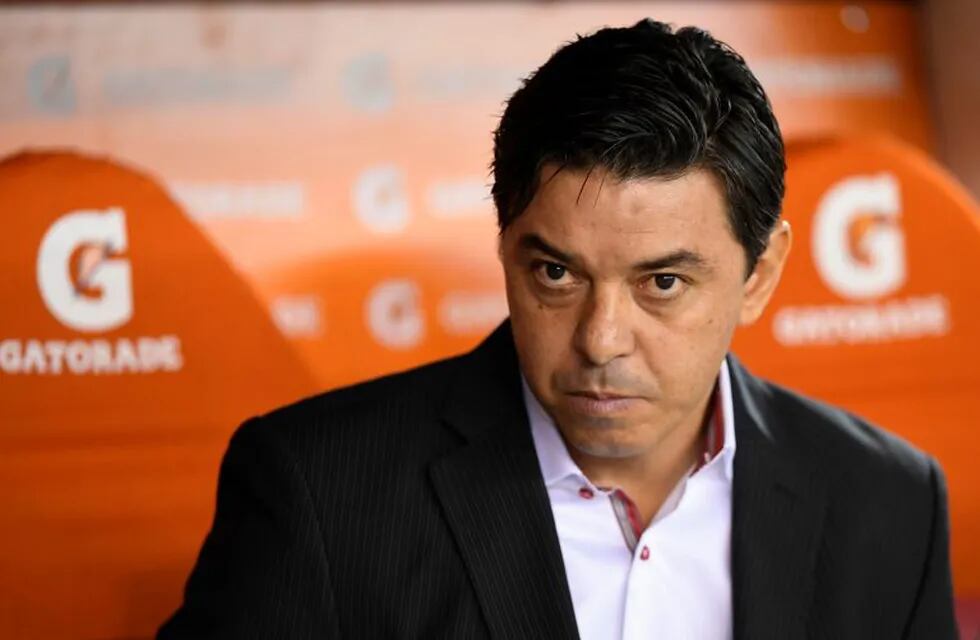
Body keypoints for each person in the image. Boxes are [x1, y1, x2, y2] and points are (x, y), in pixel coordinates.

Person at [158, 19, 957, 639]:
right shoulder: (319, 493)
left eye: (663, 282)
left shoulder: (887, 503)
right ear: (504, 247)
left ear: (761, 274)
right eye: (556, 275)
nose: (601, 339)